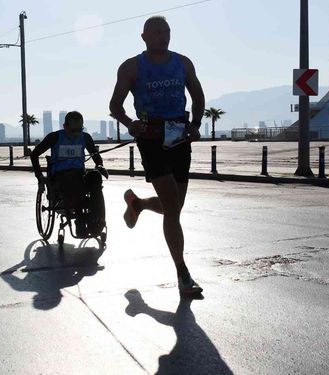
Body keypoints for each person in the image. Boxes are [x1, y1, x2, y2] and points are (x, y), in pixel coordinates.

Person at [109, 16, 205, 295]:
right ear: (144, 37)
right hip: (150, 137)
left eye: (167, 32)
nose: (163, 36)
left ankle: (137, 204)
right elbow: (115, 105)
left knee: (172, 206)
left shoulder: (183, 63)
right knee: (173, 209)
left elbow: (198, 96)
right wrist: (131, 125)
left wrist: (196, 125)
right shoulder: (131, 67)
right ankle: (183, 274)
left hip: (178, 135)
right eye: (157, 32)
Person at [30, 111, 109, 236]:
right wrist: (39, 177)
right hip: (60, 176)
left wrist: (99, 166)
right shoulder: (54, 137)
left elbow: (96, 156)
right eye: (73, 130)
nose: (77, 133)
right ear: (65, 126)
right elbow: (34, 155)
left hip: (79, 174)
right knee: (73, 182)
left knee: (95, 177)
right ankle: (80, 221)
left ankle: (96, 219)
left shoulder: (85, 137)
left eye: (80, 130)